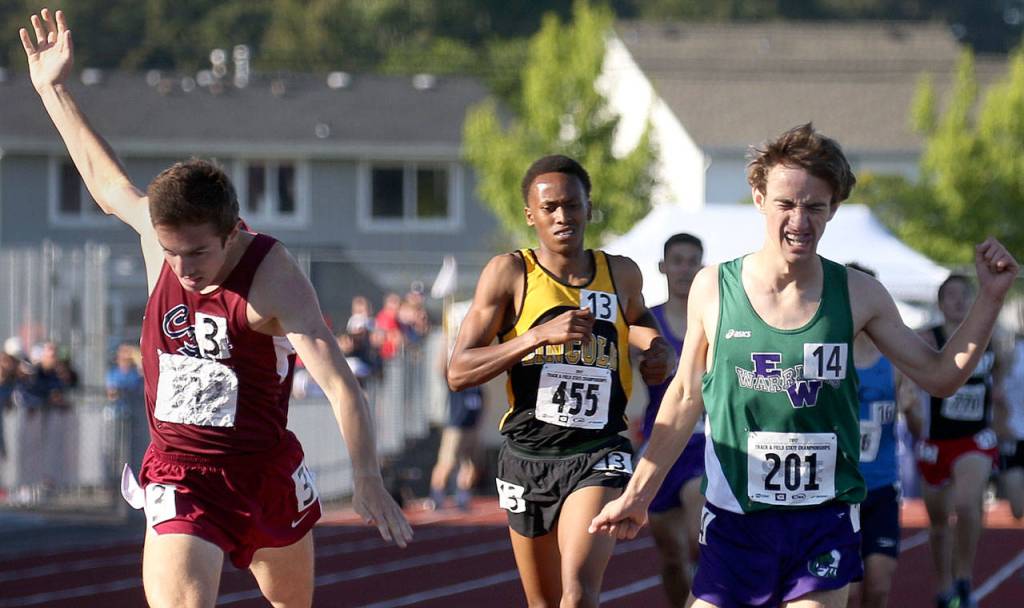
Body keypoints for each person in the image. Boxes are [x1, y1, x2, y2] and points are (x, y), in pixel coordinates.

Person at [20, 9, 411, 608]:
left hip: (262, 471)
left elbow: (338, 383)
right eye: (170, 253)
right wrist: (54, 88)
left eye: (197, 253)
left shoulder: (272, 278)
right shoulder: (162, 241)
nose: (182, 268)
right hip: (180, 473)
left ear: (232, 233)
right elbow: (105, 183)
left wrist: (366, 478)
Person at [589, 123, 1018, 608]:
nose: (800, 220)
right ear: (758, 197)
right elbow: (684, 398)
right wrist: (638, 494)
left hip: (823, 521)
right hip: (736, 522)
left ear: (833, 208)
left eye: (815, 207)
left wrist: (990, 298)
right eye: (786, 204)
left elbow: (942, 376)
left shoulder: (858, 293)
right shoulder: (715, 289)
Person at [447, 154, 672, 607]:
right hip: (528, 455)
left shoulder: (620, 272)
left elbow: (640, 324)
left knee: (578, 593)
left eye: (572, 205)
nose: (562, 216)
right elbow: (458, 370)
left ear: (589, 207)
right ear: (531, 215)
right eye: (549, 208)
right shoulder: (510, 274)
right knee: (545, 603)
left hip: (598, 451)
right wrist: (535, 337)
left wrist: (655, 352)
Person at [916, 274, 1010, 608]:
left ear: (973, 302)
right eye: (950, 296)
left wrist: (997, 396)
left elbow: (1000, 373)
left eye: (964, 295)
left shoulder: (992, 338)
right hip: (936, 441)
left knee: (969, 505)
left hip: (974, 439)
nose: (958, 301)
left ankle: (964, 577)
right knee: (938, 524)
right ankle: (944, 585)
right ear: (940, 303)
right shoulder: (929, 337)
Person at [844, 263, 922, 608]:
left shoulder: (894, 359)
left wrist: (911, 409)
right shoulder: (829, 355)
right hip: (837, 492)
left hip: (880, 488)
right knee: (845, 592)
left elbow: (919, 431)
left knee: (877, 588)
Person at [640, 233, 706, 606]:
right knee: (671, 558)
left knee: (701, 538)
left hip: (702, 442)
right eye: (677, 260)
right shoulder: (648, 323)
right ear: (663, 267)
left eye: (691, 261)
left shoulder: (715, 323)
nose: (684, 268)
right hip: (659, 446)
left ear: (701, 268)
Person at [428, 384, 484, 511]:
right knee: (447, 463)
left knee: (470, 465)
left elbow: (482, 404)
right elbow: (443, 368)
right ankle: (436, 496)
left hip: (472, 428)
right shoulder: (458, 380)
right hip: (455, 428)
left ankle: (462, 497)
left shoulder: (478, 387)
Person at [996, 332, 1024, 520]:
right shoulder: (1012, 353)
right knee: (1017, 510)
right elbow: (996, 394)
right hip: (1014, 436)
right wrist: (1000, 426)